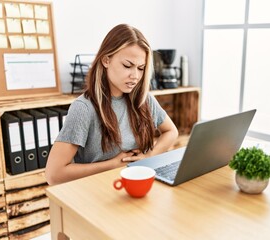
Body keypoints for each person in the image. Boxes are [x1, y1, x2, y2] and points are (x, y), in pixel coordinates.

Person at [45, 24, 178, 185]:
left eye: (141, 68)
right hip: (97, 192)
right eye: (127, 66)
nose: (135, 76)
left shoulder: (144, 99)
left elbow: (171, 131)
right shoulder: (84, 108)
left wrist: (150, 155)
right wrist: (112, 165)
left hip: (133, 187)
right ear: (106, 60)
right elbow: (53, 175)